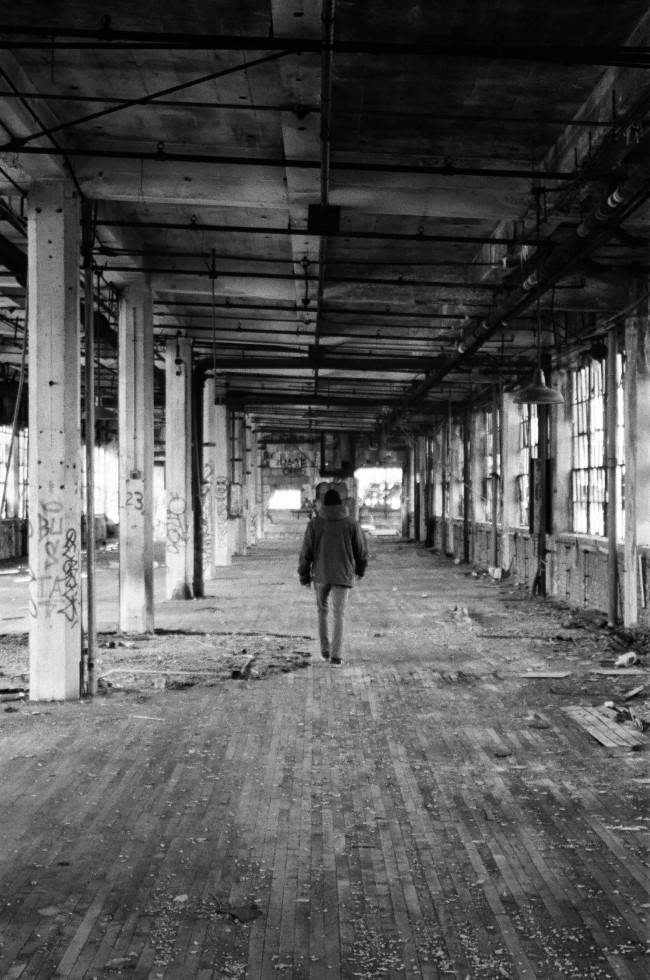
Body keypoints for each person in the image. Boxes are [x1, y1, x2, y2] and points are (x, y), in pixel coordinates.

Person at [298, 487, 368, 666]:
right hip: (342, 574)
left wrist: (304, 575)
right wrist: (360, 569)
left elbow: (306, 551)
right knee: (339, 614)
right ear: (341, 504)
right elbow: (361, 549)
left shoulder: (315, 523)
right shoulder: (351, 523)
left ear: (324, 505)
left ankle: (325, 651)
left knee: (322, 612)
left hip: (320, 574)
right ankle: (336, 657)